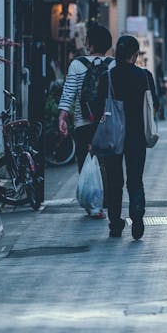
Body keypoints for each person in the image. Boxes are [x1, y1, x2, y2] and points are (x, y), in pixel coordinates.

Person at [97, 34, 158, 240]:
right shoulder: (144, 76)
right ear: (135, 54)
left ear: (116, 53)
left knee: (115, 181)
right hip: (137, 135)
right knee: (135, 179)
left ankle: (115, 223)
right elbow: (154, 105)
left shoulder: (108, 77)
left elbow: (97, 106)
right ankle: (137, 217)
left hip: (113, 135)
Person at [58, 24, 113, 218]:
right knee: (108, 162)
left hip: (83, 123)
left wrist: (62, 116)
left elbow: (69, 93)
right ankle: (108, 201)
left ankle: (93, 205)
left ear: (89, 43)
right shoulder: (113, 65)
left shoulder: (77, 64)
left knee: (86, 162)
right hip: (107, 123)